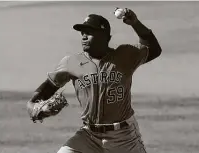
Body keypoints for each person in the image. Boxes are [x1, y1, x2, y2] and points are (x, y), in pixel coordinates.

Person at [27, 8, 162, 153]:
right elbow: (45, 90)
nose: (84, 37)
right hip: (89, 136)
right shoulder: (71, 62)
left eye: (89, 32)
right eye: (82, 33)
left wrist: (135, 23)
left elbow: (154, 49)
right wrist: (34, 107)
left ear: (105, 37)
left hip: (124, 137)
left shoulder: (125, 55)